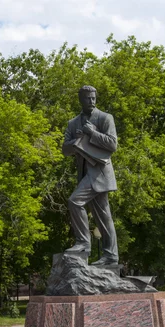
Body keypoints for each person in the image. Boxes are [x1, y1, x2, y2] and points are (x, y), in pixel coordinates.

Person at [62, 85, 118, 266]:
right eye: (87, 98)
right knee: (103, 215)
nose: (91, 101)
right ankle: (110, 255)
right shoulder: (73, 123)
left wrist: (92, 133)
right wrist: (77, 140)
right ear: (81, 99)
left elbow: (112, 144)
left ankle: (83, 243)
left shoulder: (104, 118)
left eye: (94, 98)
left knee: (75, 201)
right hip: (86, 174)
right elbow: (65, 149)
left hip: (100, 173)